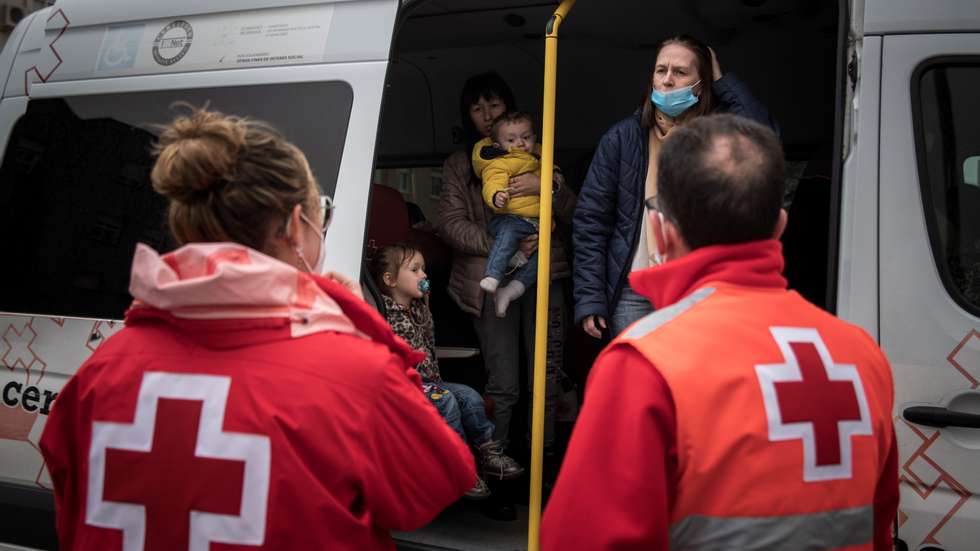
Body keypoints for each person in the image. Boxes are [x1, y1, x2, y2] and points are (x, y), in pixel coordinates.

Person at [39, 107, 475, 550]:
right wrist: (361, 324)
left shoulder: (102, 369)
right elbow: (438, 481)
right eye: (320, 215)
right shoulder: (351, 371)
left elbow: (71, 513)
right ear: (292, 226)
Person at [542, 114, 898, 550]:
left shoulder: (645, 365)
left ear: (658, 231)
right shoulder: (860, 355)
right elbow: (880, 528)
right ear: (780, 228)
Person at [574, 35, 778, 339]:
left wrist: (722, 81)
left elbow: (766, 139)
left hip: (699, 287)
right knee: (639, 381)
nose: (667, 80)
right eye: (661, 70)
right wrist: (590, 297)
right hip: (633, 290)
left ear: (702, 83)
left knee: (693, 379)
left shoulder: (720, 135)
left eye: (680, 72)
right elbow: (591, 220)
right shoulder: (622, 138)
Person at [438, 72, 577, 459]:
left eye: (493, 105)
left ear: (510, 109)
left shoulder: (540, 157)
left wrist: (544, 187)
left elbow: (575, 211)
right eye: (477, 107)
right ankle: (498, 466)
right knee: (503, 383)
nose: (485, 114)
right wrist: (504, 242)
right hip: (487, 278)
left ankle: (542, 463)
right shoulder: (460, 164)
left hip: (545, 274)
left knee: (546, 379)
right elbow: (449, 223)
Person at [370, 243, 525, 499]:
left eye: (424, 270)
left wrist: (427, 307)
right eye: (415, 270)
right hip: (404, 386)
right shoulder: (383, 312)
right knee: (448, 401)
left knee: (470, 396)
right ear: (391, 280)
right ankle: (459, 465)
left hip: (431, 382)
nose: (424, 276)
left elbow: (428, 339)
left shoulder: (420, 309)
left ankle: (487, 453)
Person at [474, 111, 546, 317]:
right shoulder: (499, 161)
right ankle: (493, 274)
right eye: (512, 139)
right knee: (509, 230)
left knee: (542, 260)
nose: (521, 143)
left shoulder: (541, 157)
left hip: (535, 223)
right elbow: (492, 182)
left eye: (526, 137)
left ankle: (510, 290)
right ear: (498, 145)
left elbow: (557, 181)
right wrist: (496, 195)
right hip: (508, 217)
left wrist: (545, 184)